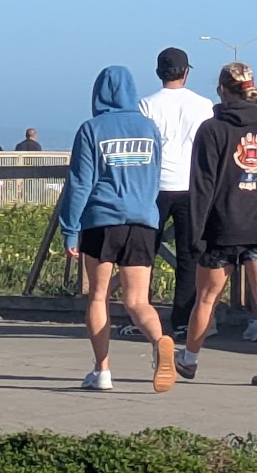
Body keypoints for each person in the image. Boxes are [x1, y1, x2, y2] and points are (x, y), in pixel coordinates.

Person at [56, 66, 176, 393]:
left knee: (98, 296)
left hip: (102, 220)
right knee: (137, 300)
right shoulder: (149, 128)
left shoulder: (92, 129)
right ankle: (159, 341)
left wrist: (70, 228)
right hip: (142, 220)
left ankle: (102, 371)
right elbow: (155, 175)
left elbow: (81, 182)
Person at [179, 61, 257, 386]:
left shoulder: (212, 129)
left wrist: (196, 233)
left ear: (221, 90)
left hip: (222, 225)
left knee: (206, 297)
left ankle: (189, 358)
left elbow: (203, 186)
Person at [138, 46, 213, 341]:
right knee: (189, 256)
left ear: (159, 72)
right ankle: (183, 321)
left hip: (154, 187)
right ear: (186, 72)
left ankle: (142, 317)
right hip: (191, 186)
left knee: (145, 254)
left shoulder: (146, 105)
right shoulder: (204, 105)